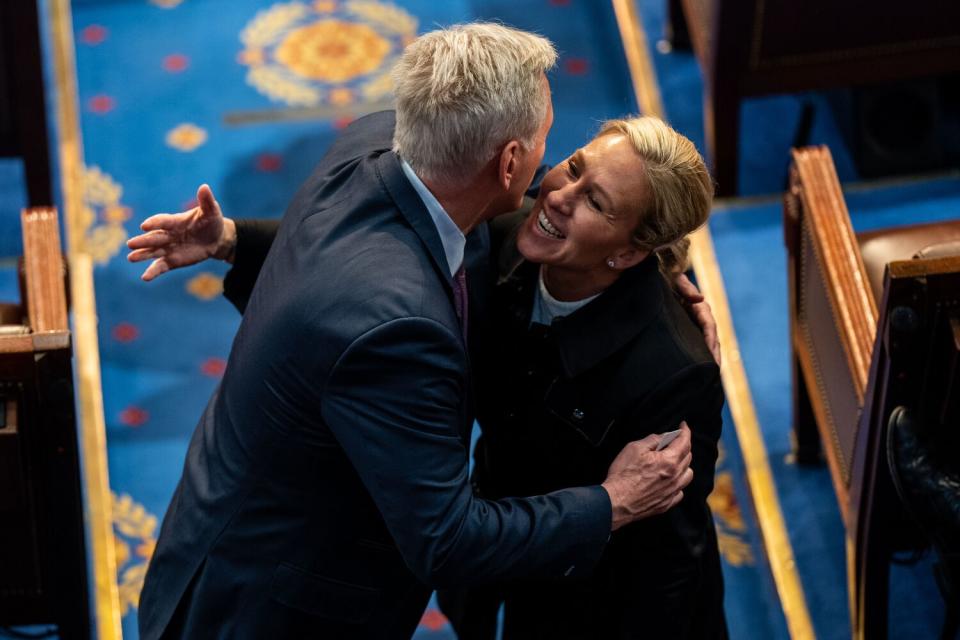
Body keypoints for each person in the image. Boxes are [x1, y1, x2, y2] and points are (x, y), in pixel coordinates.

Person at [132, 24, 697, 640]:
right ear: (509, 162)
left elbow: (334, 249)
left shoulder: (377, 143)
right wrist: (612, 502)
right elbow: (447, 541)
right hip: (274, 607)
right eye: (550, 148)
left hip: (216, 523)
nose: (552, 183)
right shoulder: (397, 330)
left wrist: (233, 242)